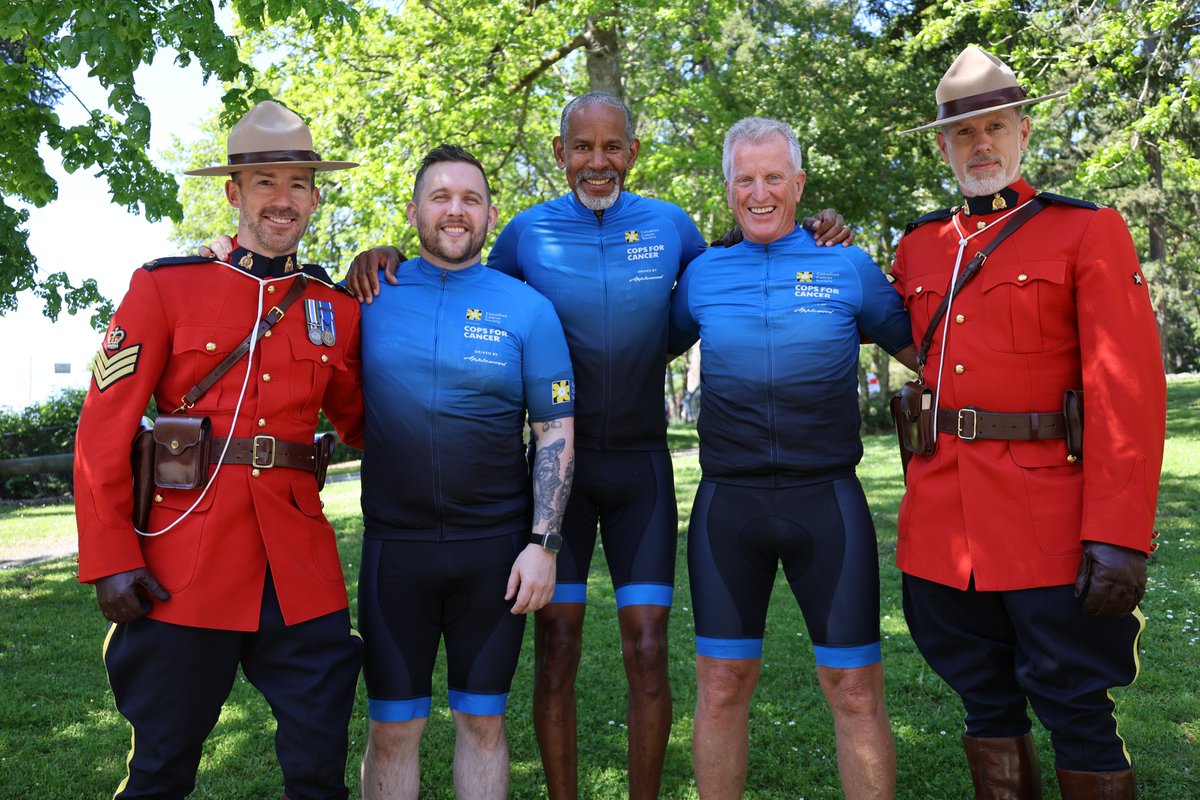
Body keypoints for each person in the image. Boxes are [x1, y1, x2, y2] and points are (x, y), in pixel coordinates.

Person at [345, 92, 853, 800]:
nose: (597, 161)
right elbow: (461, 284)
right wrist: (385, 255)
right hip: (561, 480)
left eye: (612, 147)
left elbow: (724, 285)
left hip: (641, 466)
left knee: (648, 652)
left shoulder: (673, 229)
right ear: (560, 154)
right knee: (556, 652)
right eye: (581, 147)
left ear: (633, 154)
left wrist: (820, 230)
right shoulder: (523, 235)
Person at [892, 46, 1166, 799]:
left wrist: (1118, 535)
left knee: (1079, 710)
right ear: (943, 145)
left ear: (1023, 131)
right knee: (984, 705)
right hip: (946, 529)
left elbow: (1128, 392)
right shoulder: (919, 247)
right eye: (963, 134)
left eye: (995, 128)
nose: (981, 146)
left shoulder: (1086, 231)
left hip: (1050, 524)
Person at [73, 101, 366, 799]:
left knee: (320, 769)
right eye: (264, 182)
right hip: (183, 564)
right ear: (234, 193)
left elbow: (365, 422)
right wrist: (111, 559)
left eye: (297, 183)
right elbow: (103, 427)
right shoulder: (165, 286)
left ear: (315, 196)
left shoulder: (339, 308)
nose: (282, 199)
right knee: (161, 769)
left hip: (300, 570)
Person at [667, 116, 917, 800]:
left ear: (798, 184)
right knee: (721, 685)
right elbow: (628, 347)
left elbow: (934, 358)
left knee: (856, 689)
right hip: (729, 507)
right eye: (745, 179)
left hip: (826, 502)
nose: (759, 192)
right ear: (727, 190)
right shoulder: (702, 276)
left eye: (774, 176)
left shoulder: (850, 267)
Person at [353, 145, 575, 800]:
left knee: (483, 722)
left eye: (470, 199)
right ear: (415, 209)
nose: (456, 210)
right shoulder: (367, 295)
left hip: (494, 553)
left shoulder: (528, 308)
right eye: (441, 196)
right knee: (393, 728)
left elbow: (554, 430)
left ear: (490, 214)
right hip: (396, 551)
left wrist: (543, 545)